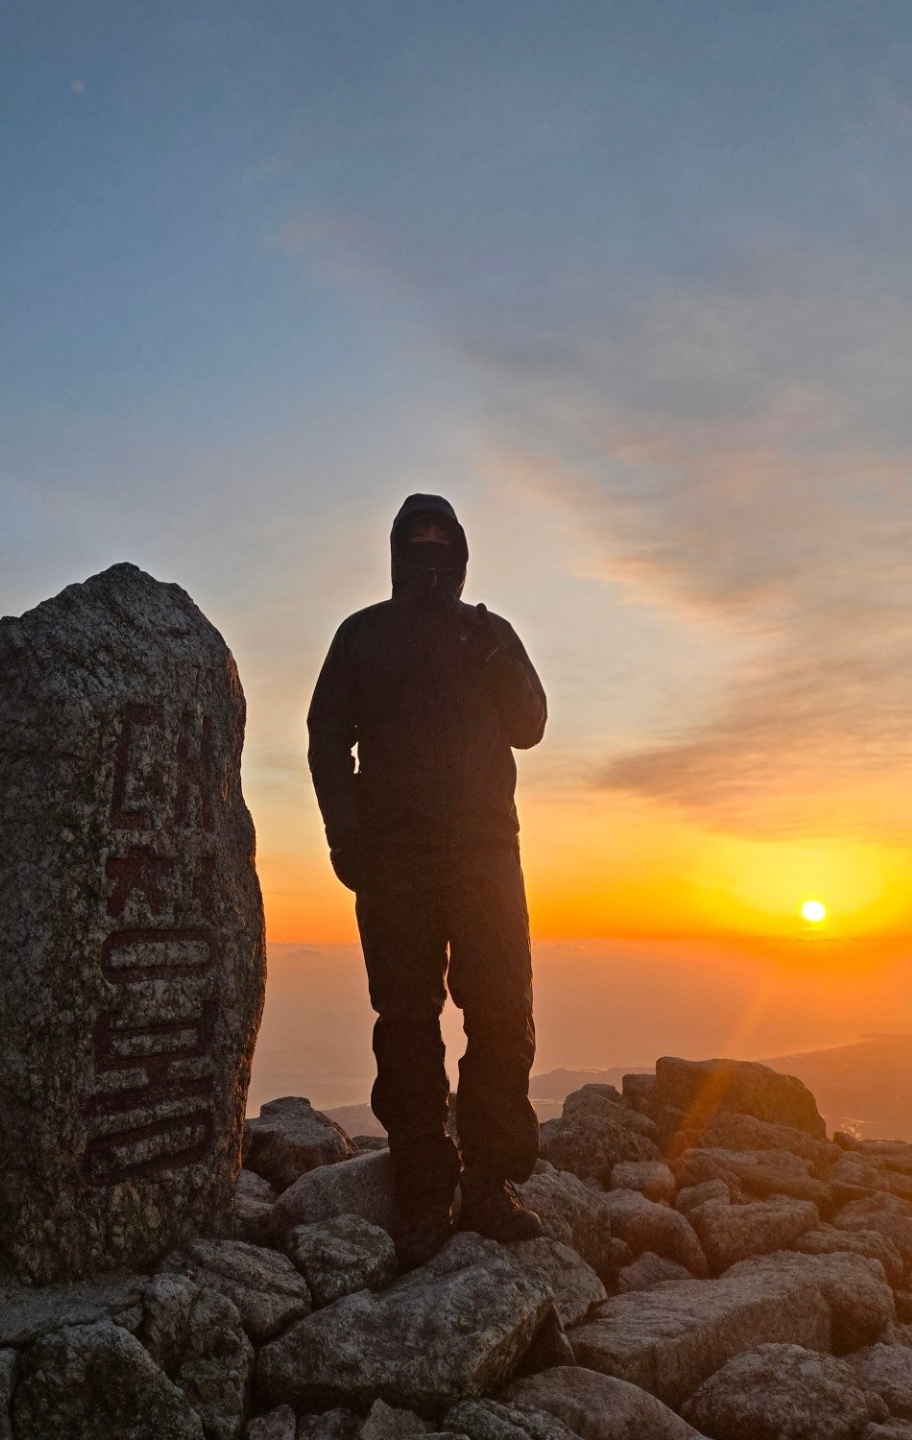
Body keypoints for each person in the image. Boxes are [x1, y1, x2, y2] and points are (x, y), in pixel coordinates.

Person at [307, 494, 549, 1265]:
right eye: (419, 543)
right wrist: (349, 839)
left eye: (444, 542)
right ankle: (421, 1190)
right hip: (396, 860)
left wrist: (496, 656)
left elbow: (531, 725)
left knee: (502, 1014)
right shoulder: (362, 636)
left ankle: (489, 1185)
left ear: (464, 553)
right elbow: (325, 741)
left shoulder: (489, 633)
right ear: (397, 553)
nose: (432, 555)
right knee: (407, 1023)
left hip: (486, 855)